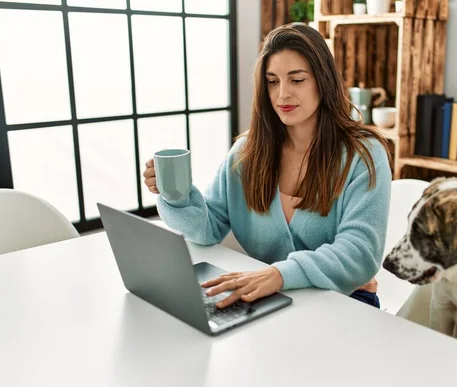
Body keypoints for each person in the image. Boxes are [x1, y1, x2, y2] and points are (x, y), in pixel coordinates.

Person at [143, 23, 392, 309]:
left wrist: (279, 274)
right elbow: (207, 227)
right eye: (273, 81)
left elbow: (360, 252)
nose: (282, 94)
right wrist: (175, 194)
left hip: (345, 302)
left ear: (323, 81)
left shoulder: (364, 154)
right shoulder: (247, 153)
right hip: (270, 300)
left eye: (296, 80)